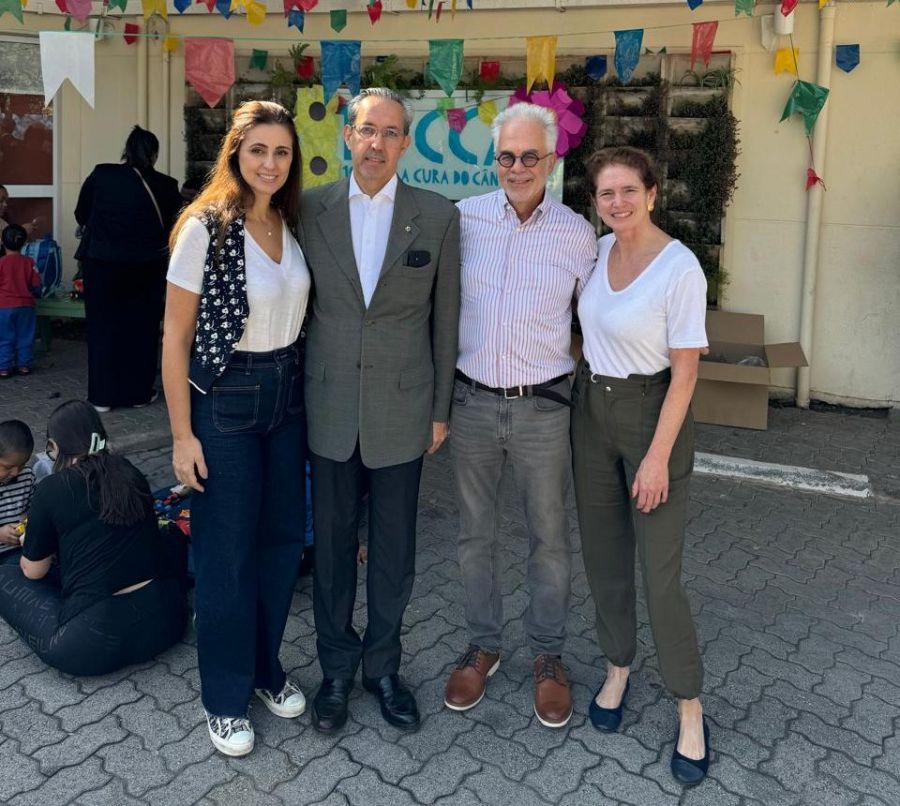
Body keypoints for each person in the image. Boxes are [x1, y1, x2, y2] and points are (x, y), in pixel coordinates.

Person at [299, 88, 460, 734]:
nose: (377, 144)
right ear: (348, 136)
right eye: (368, 130)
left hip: (403, 408)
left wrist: (440, 409)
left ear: (405, 144)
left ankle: (383, 668)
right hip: (328, 404)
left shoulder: (437, 215)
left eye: (391, 133)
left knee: (394, 551)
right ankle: (336, 670)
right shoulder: (309, 209)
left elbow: (445, 320)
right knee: (333, 548)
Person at [162, 100, 310, 757]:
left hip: (287, 397)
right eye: (258, 150)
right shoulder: (205, 228)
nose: (269, 163)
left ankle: (262, 668)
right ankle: (223, 696)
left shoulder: (287, 221)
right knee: (226, 555)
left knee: (281, 544)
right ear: (235, 153)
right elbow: (175, 338)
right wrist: (181, 435)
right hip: (225, 402)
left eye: (281, 152)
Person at [444, 103, 597, 729]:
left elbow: (597, 320)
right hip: (472, 403)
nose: (517, 167)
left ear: (551, 160)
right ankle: (484, 644)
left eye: (530, 156)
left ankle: (548, 654)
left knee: (549, 539)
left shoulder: (577, 234)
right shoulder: (464, 220)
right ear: (495, 160)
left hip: (543, 409)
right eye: (506, 156)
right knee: (474, 536)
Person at [572, 146, 710, 785]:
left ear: (652, 193)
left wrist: (656, 458)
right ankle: (618, 667)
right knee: (604, 558)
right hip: (590, 413)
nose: (618, 202)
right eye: (606, 193)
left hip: (654, 417)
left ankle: (689, 704)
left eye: (629, 190)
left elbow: (686, 374)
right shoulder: (597, 253)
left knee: (660, 575)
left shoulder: (680, 267)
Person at [0, 401, 188, 675]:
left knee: (9, 571)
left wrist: (34, 541)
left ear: (55, 446)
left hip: (92, 643)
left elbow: (33, 571)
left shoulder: (52, 489)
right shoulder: (128, 470)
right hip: (167, 619)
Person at [75, 126, 183, 412]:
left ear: (126, 150)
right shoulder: (167, 185)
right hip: (147, 267)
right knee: (142, 329)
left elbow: (81, 213)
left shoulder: (102, 175)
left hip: (101, 264)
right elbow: (176, 227)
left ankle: (101, 397)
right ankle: (138, 393)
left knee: (102, 328)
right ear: (154, 154)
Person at [0, 224, 41, 377]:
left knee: (4, 337)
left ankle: (4, 367)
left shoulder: (1, 262)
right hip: (26, 306)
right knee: (25, 337)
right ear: (24, 243)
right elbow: (36, 284)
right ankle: (24, 365)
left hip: (3, 307)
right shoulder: (30, 262)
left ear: (2, 242)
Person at [0, 420, 36, 553]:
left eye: (22, 465)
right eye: (8, 467)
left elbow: (33, 509)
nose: (15, 472)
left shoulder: (27, 476)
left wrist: (27, 522)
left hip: (17, 550)